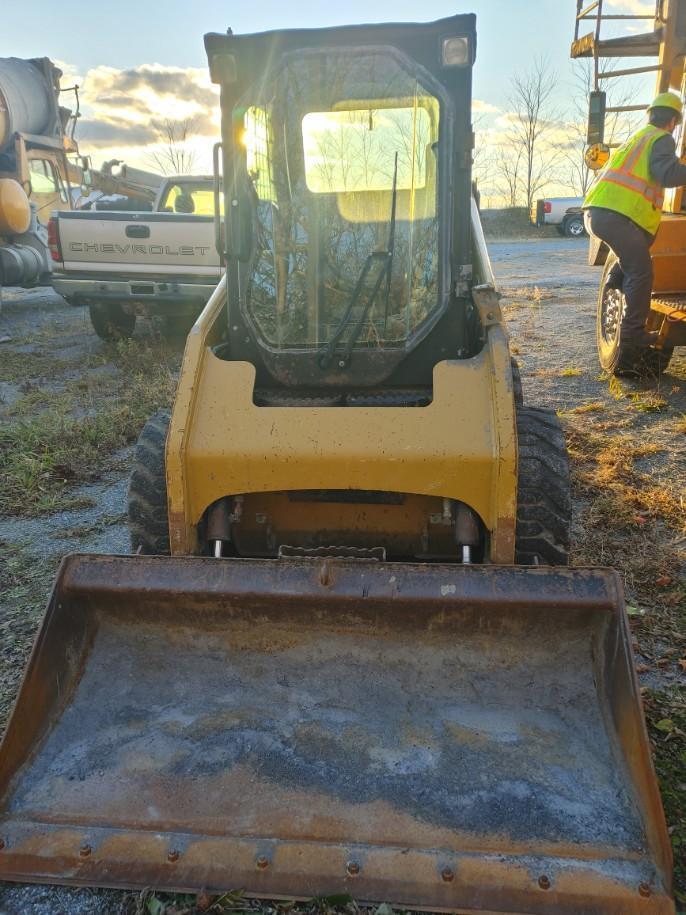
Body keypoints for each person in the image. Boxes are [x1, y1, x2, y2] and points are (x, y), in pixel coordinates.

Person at [583, 91, 686, 345]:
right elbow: (667, 173)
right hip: (617, 214)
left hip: (598, 212)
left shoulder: (638, 137)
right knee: (641, 272)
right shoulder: (662, 138)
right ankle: (632, 333)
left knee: (631, 258)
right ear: (672, 122)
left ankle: (614, 280)